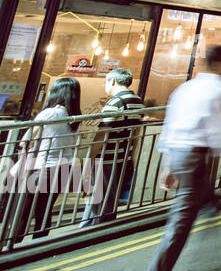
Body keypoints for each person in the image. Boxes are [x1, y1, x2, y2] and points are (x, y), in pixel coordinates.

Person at [131, 45, 221, 271]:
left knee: (211, 206)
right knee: (179, 225)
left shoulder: (185, 89)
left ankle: (211, 265)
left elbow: (170, 128)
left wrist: (168, 166)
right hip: (196, 159)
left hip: (181, 156)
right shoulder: (218, 91)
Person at [3, 77, 82, 250]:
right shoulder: (74, 116)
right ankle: (38, 246)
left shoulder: (49, 113)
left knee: (23, 211)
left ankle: (11, 246)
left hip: (43, 168)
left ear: (56, 93)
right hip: (64, 167)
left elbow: (25, 141)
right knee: (44, 211)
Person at [81, 68, 144, 227]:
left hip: (108, 156)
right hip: (123, 155)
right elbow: (137, 131)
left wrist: (89, 159)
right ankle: (96, 224)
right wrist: (133, 157)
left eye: (106, 82)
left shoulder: (115, 102)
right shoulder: (137, 100)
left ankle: (97, 227)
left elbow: (103, 133)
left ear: (113, 81)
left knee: (100, 195)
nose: (105, 86)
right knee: (109, 195)